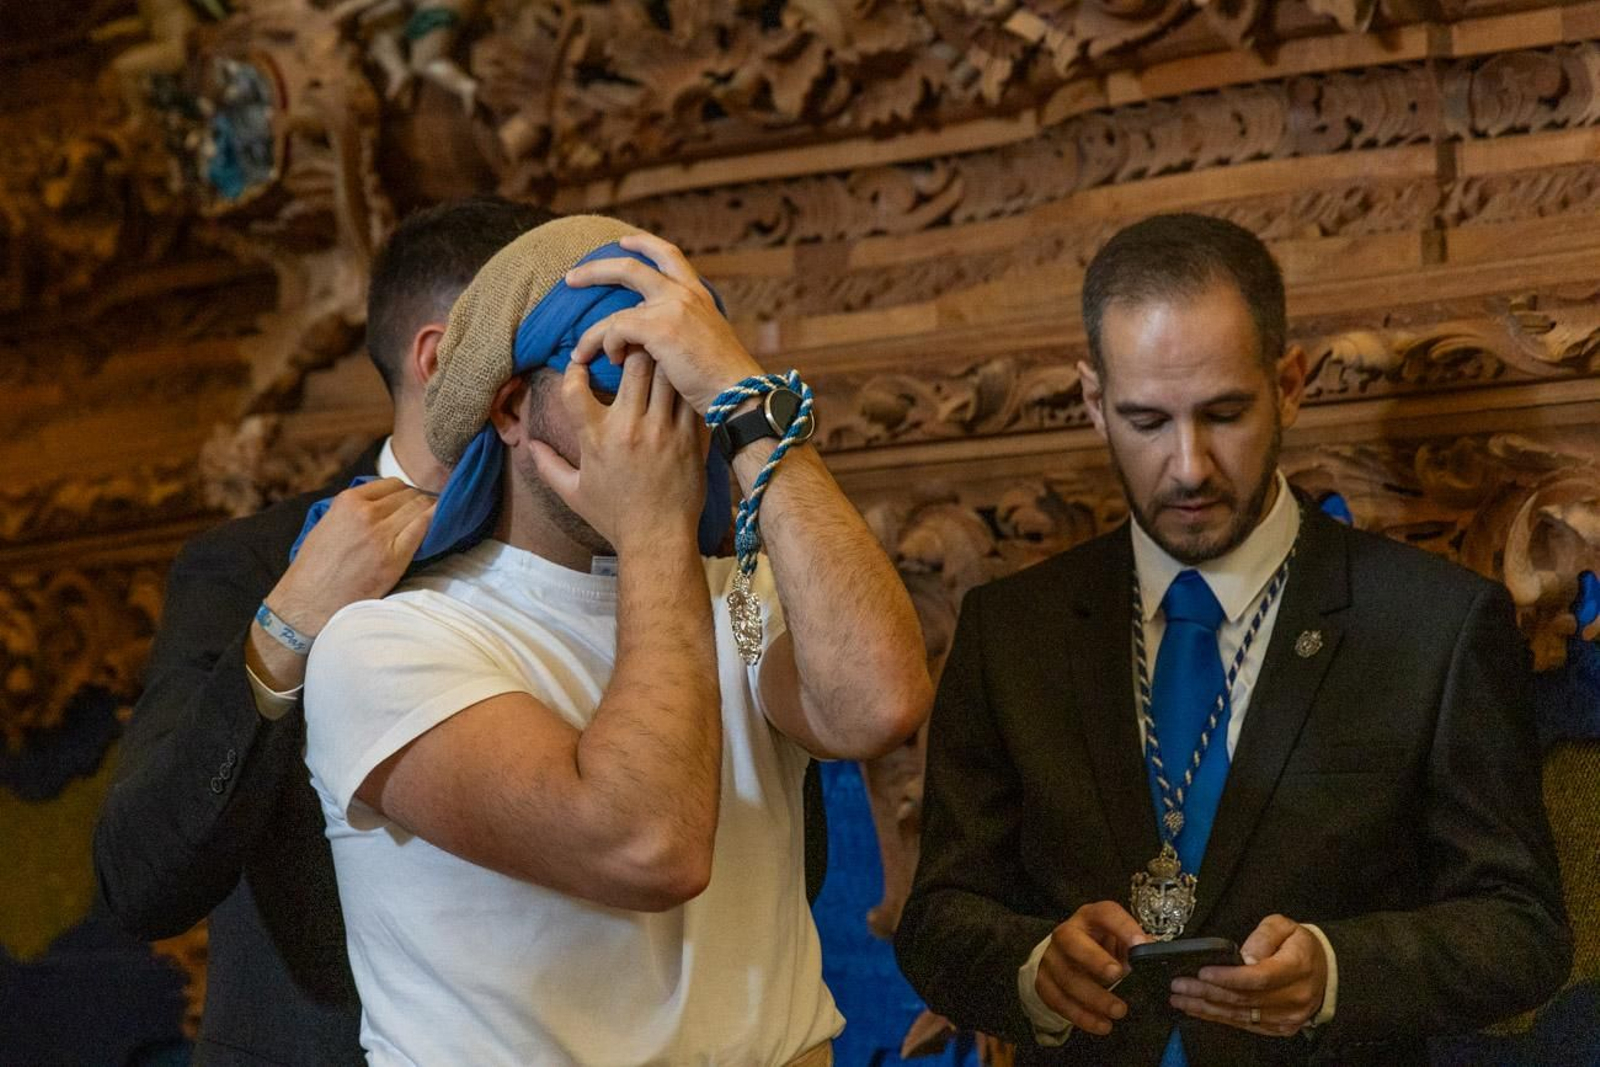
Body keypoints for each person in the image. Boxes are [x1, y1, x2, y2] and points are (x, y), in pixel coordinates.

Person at [894, 213, 1572, 1066]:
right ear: (1093, 403)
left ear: (1289, 383)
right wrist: (1033, 968)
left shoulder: (1436, 623)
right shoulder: (1008, 632)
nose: (1188, 466)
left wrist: (1333, 972)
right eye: (1145, 420)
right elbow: (940, 916)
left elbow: (1522, 928)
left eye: (1224, 413)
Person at [300, 215, 932, 1063]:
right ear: (513, 408)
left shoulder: (737, 598)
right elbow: (646, 843)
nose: (657, 410)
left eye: (676, 376)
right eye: (612, 375)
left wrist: (746, 403)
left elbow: (878, 702)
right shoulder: (386, 643)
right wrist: (652, 529)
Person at [92, 196, 553, 1065]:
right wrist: (290, 621)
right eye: (559, 343)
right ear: (445, 356)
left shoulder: (624, 550)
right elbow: (140, 880)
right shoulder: (247, 565)